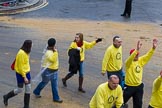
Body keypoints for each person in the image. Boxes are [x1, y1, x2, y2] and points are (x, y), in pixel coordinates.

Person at [123, 39, 158, 108]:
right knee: (121, 102)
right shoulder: (128, 63)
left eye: (138, 55)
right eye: (135, 55)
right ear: (131, 55)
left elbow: (148, 56)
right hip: (129, 86)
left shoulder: (140, 60)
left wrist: (153, 48)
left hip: (138, 87)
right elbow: (130, 59)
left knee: (138, 105)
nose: (137, 56)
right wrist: (137, 49)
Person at [3, 40, 32, 108]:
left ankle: (26, 106)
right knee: (20, 90)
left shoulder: (26, 52)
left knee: (28, 88)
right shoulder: (21, 53)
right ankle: (6, 96)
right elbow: (20, 66)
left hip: (27, 73)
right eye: (31, 44)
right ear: (28, 45)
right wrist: (24, 77)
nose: (32, 45)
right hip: (21, 74)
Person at [33, 38, 63, 103]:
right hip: (48, 71)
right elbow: (53, 60)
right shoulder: (49, 52)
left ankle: (56, 98)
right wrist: (56, 52)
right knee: (45, 83)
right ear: (54, 44)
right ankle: (37, 91)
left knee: (53, 84)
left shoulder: (50, 50)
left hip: (53, 70)